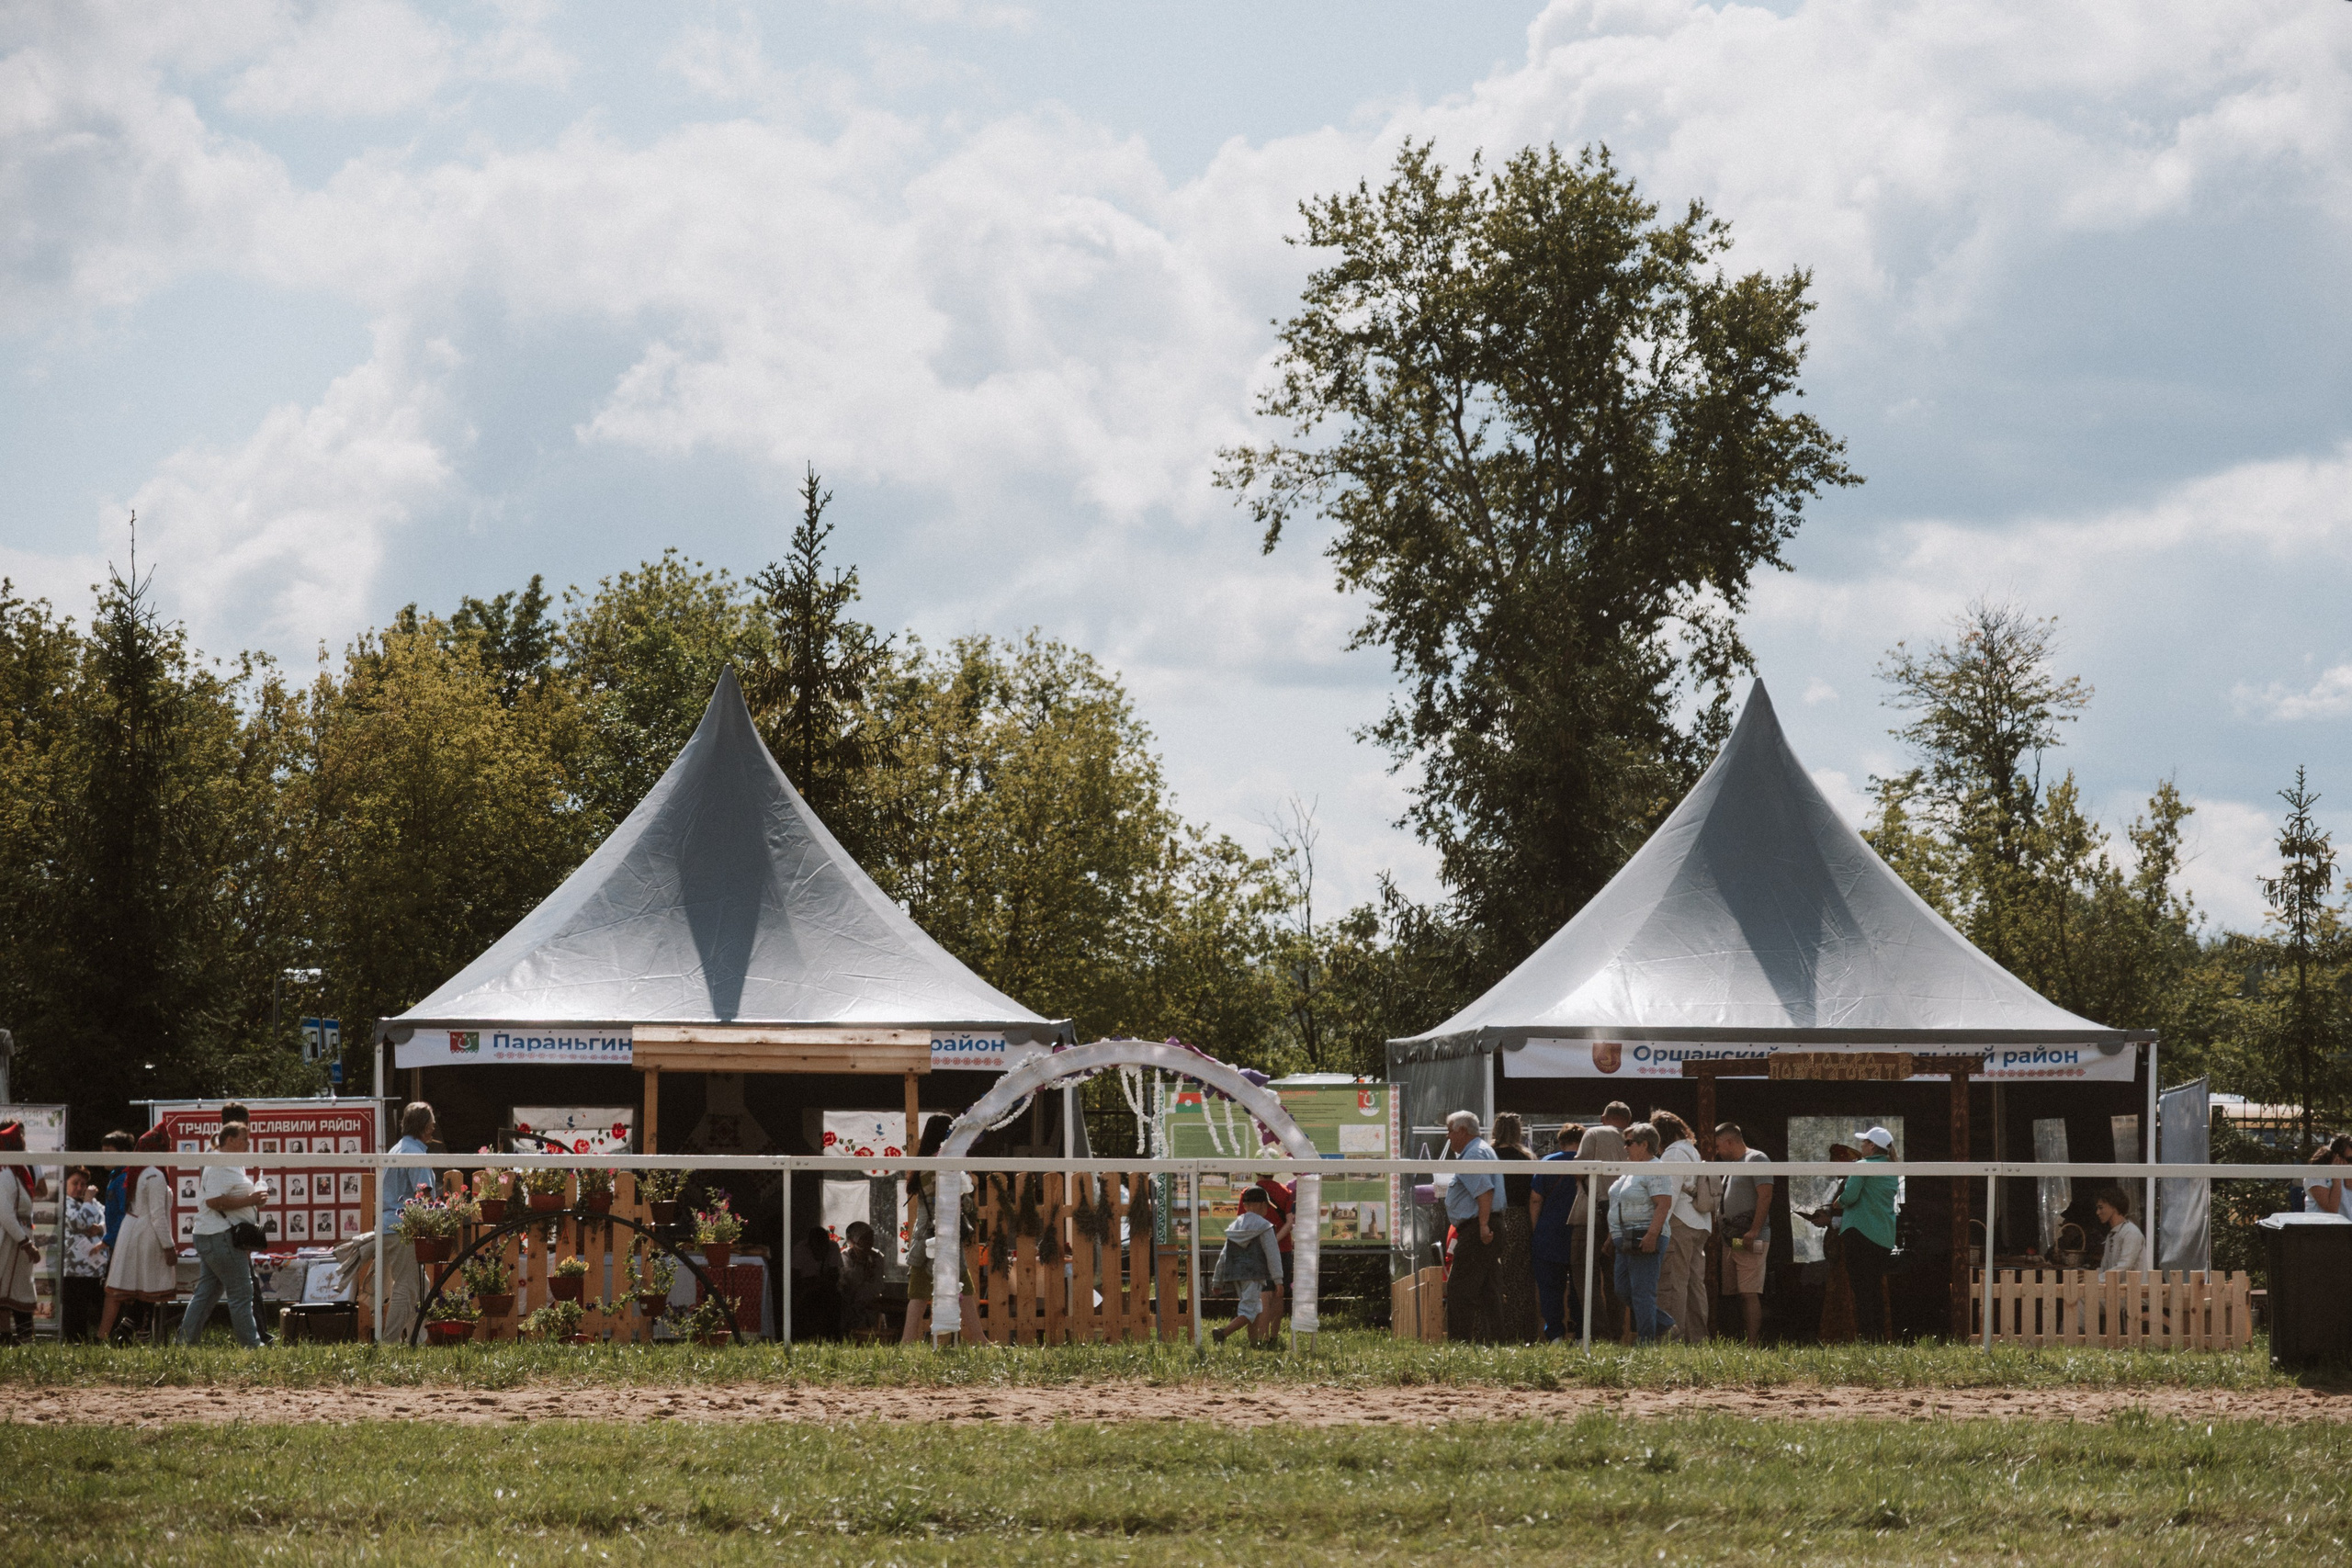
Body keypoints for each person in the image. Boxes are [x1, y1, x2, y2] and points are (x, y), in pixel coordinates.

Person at [179, 1120, 270, 1348]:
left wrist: (252, 1200)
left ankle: (185, 1344)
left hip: (213, 1235)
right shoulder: (221, 1163)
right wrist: (250, 1200)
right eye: (244, 1139)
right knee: (242, 1292)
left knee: (207, 1294)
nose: (248, 1144)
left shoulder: (229, 1163)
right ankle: (251, 1346)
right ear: (230, 1140)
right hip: (220, 1236)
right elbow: (213, 1201)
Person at [1812, 1125, 1898, 1343]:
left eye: (1864, 1142)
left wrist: (1838, 1202)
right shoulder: (1892, 1168)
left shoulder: (1862, 1166)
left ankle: (1867, 1338)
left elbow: (1850, 1197)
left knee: (1861, 1290)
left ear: (1872, 1146)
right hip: (1884, 1237)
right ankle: (1880, 1337)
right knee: (1876, 1288)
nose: (1861, 1146)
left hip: (1860, 1235)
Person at [99, 1126, 179, 1343]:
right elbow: (157, 1215)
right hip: (147, 1235)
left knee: (144, 1288)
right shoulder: (154, 1175)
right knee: (149, 1288)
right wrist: (168, 1247)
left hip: (137, 1231)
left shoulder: (143, 1171)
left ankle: (130, 1333)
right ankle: (133, 1333)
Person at [901, 1114, 976, 1343]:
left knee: (920, 1294)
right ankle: (980, 1339)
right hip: (937, 1234)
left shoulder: (926, 1163)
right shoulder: (939, 1164)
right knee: (960, 1289)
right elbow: (953, 1199)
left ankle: (906, 1341)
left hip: (930, 1234)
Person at [1604, 1122, 1676, 1344]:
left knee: (1641, 1292)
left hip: (1644, 1235)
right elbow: (1619, 1203)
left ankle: (1646, 1343)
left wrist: (1652, 1235)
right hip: (1625, 1238)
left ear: (1644, 1145)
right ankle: (1665, 1325)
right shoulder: (1633, 1169)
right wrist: (1611, 1236)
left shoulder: (1655, 1169)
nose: (1625, 1147)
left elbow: (1663, 1203)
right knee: (1623, 1289)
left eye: (1629, 1143)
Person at [1439, 1110, 1505, 1343]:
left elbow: (1484, 1191)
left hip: (1479, 1228)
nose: (1448, 1136)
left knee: (1460, 1289)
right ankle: (1496, 1342)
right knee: (1489, 1290)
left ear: (1462, 1131)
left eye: (1450, 1131)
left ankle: (1459, 1342)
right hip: (1485, 1225)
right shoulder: (1482, 1149)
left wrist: (1483, 1226)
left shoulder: (1473, 1154)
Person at [1567, 1105, 1632, 1343]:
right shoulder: (1634, 1139)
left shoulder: (1594, 1133)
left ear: (1603, 1118)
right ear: (1628, 1121)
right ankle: (1615, 1334)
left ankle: (1598, 1334)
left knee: (1584, 1276)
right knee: (1615, 1277)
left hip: (1590, 1213)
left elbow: (1578, 1171)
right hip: (1623, 1216)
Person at [1652, 1111, 1714, 1346]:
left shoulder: (1673, 1153)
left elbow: (1669, 1194)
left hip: (1680, 1221)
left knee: (1673, 1283)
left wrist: (1658, 1228)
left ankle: (1672, 1339)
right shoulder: (1691, 1150)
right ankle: (1698, 1339)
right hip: (1699, 1222)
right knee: (1695, 1283)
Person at [379, 1102, 438, 1343]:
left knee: (420, 1286)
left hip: (389, 1227)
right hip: (404, 1228)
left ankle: (419, 1340)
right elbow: (425, 1195)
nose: (433, 1129)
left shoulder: (397, 1149)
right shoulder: (415, 1154)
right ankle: (389, 1343)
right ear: (423, 1127)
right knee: (406, 1287)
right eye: (431, 1125)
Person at [1713, 1122, 1774, 1347]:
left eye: (1718, 1146)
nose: (1717, 1151)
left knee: (1749, 1291)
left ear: (1729, 1142)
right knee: (1734, 1291)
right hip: (1732, 1240)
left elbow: (1765, 1196)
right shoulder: (1733, 1165)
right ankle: (1735, 1339)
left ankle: (1752, 1344)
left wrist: (1754, 1230)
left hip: (1751, 1238)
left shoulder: (1757, 1159)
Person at [1529, 1122, 1584, 1341]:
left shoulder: (1549, 1162)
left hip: (1550, 1234)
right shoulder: (1587, 1162)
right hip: (1580, 1232)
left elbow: (1535, 1199)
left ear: (1561, 1142)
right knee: (1579, 1287)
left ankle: (1555, 1336)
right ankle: (1580, 1335)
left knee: (1551, 1289)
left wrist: (1536, 1230)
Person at [1210, 1186, 1284, 1346]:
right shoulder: (1265, 1226)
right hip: (1254, 1274)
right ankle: (1222, 1333)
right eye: (1266, 1205)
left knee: (1255, 1308)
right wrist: (1278, 1280)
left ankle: (1253, 1343)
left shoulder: (1234, 1227)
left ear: (1244, 1206)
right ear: (1262, 1205)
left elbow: (1224, 1255)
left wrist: (1217, 1280)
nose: (1267, 1209)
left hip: (1236, 1274)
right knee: (1250, 1310)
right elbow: (1273, 1255)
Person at [61, 1168, 109, 1341]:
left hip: (95, 1266)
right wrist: (88, 1201)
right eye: (75, 1183)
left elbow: (108, 1218)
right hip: (74, 1268)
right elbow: (79, 1222)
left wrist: (100, 1227)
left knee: (98, 1304)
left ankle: (101, 1337)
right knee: (76, 1308)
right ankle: (75, 1341)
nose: (80, 1188)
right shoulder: (64, 1203)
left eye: (83, 1184)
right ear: (65, 1184)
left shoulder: (93, 1203)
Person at [0, 1122, 37, 1344]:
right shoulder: (5, 1172)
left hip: (19, 1236)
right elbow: (4, 1213)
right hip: (9, 1240)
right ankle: (20, 1339)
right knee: (13, 1290)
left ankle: (24, 1341)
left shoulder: (17, 1169)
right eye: (19, 1140)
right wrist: (25, 1243)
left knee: (19, 1289)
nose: (23, 1143)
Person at [1250, 1168, 1296, 1343]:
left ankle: (1261, 1337)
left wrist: (1265, 1243)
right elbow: (1290, 1222)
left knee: (1264, 1292)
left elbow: (1244, 1221)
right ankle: (1274, 1336)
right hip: (1282, 1248)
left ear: (1257, 1171)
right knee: (1279, 1292)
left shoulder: (1249, 1192)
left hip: (1258, 1249)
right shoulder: (1286, 1192)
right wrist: (1274, 1241)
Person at [792, 1224, 843, 1339]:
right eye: (817, 1247)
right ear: (809, 1245)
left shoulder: (833, 1247)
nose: (820, 1251)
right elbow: (794, 1278)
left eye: (823, 1247)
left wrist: (819, 1283)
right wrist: (810, 1285)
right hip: (804, 1287)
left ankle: (832, 1335)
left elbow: (834, 1275)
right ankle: (803, 1335)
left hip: (825, 1287)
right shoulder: (800, 1249)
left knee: (835, 1299)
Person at [839, 1220, 886, 1336]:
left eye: (871, 1237)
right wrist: (859, 1263)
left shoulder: (877, 1257)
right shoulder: (845, 1256)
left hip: (871, 1302)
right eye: (865, 1238)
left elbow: (878, 1284)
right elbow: (851, 1282)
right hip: (849, 1302)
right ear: (854, 1239)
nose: (870, 1241)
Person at [2093, 1187, 2148, 1273]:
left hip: (2131, 1282)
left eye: (2101, 1207)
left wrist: (2098, 1278)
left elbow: (2125, 1266)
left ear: (2113, 1206)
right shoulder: (2112, 1234)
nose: (2097, 1212)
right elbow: (2105, 1267)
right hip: (2113, 1282)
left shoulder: (2131, 1232)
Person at [98, 1131, 135, 1252]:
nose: (104, 1156)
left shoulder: (124, 1179)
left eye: (108, 1152)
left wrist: (107, 1240)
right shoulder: (115, 1177)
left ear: (123, 1153)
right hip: (118, 1242)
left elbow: (124, 1214)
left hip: (123, 1244)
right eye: (102, 1152)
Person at [2301, 1136, 2351, 1215]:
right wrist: (2336, 1178)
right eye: (2350, 1159)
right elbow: (2332, 1209)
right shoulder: (2316, 1174)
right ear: (2336, 1157)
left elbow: (2349, 1185)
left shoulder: (2348, 1172)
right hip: (2323, 1221)